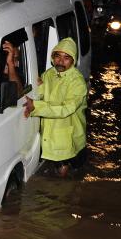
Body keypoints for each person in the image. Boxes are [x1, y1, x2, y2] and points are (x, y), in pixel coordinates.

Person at [23, 37, 88, 178]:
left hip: (68, 135)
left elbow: (66, 109)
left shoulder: (77, 82)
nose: (60, 61)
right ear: (52, 57)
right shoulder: (49, 74)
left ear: (73, 60)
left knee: (65, 177)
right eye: (57, 56)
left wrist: (35, 107)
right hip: (50, 131)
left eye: (66, 58)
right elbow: (41, 93)